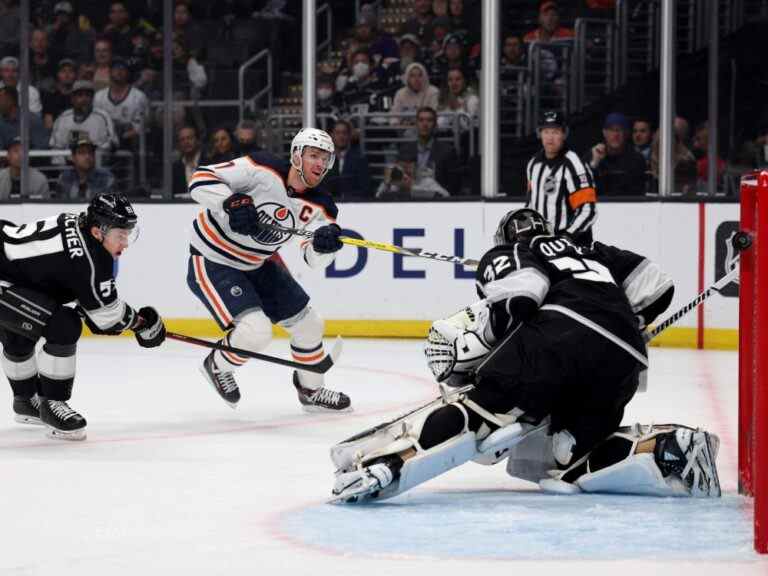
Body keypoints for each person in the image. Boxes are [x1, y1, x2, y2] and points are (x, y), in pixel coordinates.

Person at [330, 208, 721, 504]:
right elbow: (657, 286)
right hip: (625, 358)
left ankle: (386, 464)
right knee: (567, 454)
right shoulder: (590, 249)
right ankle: (664, 449)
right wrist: (624, 325)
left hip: (558, 337)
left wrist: (489, 364)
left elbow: (522, 296)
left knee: (482, 410)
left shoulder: (514, 250)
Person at [185, 127, 352, 412]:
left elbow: (312, 258)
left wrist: (325, 247)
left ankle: (311, 390)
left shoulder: (322, 205)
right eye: (314, 155)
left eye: (326, 159)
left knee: (310, 325)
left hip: (258, 263)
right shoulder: (261, 167)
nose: (320, 164)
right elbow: (200, 179)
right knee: (256, 332)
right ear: (296, 156)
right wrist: (230, 202)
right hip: (214, 259)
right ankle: (217, 365)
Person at [0, 193, 166, 440]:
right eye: (121, 234)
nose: (126, 242)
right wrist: (142, 324)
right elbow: (106, 316)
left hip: (9, 269)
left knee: (23, 327)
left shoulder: (78, 224)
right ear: (99, 232)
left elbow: (60, 280)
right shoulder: (90, 258)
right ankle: (53, 404)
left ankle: (26, 401)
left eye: (128, 234)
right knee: (63, 325)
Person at [525, 110, 596, 244]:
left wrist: (567, 237)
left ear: (564, 134)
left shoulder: (574, 165)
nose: (550, 137)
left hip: (573, 244)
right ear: (539, 134)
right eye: (546, 132)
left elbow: (588, 210)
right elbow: (531, 205)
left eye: (555, 132)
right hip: (543, 243)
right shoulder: (533, 164)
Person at [587, 112, 648, 197]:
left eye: (619, 130)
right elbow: (580, 189)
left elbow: (637, 193)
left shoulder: (636, 159)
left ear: (626, 133)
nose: (615, 135)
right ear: (604, 133)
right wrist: (594, 164)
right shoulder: (593, 154)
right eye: (611, 130)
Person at [50, 80, 118, 151]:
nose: (84, 99)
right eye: (80, 95)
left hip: (97, 160)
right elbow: (56, 146)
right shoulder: (63, 118)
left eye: (88, 95)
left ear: (92, 98)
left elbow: (113, 142)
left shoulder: (103, 116)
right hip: (68, 160)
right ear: (72, 99)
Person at [55, 133, 115, 199]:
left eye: (90, 152)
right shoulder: (64, 178)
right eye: (82, 152)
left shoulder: (106, 178)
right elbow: (61, 206)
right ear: (73, 157)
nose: (87, 156)